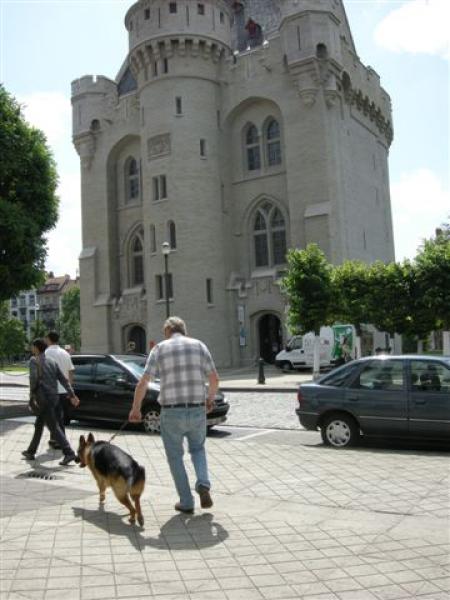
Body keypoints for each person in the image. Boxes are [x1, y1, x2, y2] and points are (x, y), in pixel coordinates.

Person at [129, 317, 219, 514]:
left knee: (175, 457)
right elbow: (214, 379)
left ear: (167, 331)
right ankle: (203, 483)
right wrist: (210, 399)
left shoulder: (160, 349)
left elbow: (143, 382)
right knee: (198, 449)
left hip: (171, 411)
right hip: (196, 409)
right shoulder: (199, 346)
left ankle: (186, 501)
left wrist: (136, 409)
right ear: (183, 330)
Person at [22, 339, 80, 466]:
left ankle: (69, 452)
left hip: (43, 399)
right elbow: (64, 380)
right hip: (54, 397)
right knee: (39, 424)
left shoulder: (33, 360)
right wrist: (72, 395)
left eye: (32, 347)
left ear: (37, 348)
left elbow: (33, 379)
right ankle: (31, 451)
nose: (32, 349)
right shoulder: (52, 361)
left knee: (54, 427)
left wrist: (31, 396)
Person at [45, 331, 75, 449]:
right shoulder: (65, 353)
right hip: (63, 390)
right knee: (59, 416)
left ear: (48, 339)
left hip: (51, 390)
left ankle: (59, 441)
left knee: (52, 417)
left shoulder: (46, 353)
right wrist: (70, 389)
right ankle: (56, 439)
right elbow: (71, 371)